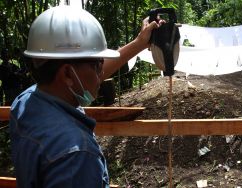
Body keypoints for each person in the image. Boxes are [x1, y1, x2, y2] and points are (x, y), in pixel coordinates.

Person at [9, 5, 159, 188]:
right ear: (67, 75)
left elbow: (83, 76)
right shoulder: (76, 155)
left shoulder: (26, 101)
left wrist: (139, 43)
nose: (101, 73)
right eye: (97, 64)